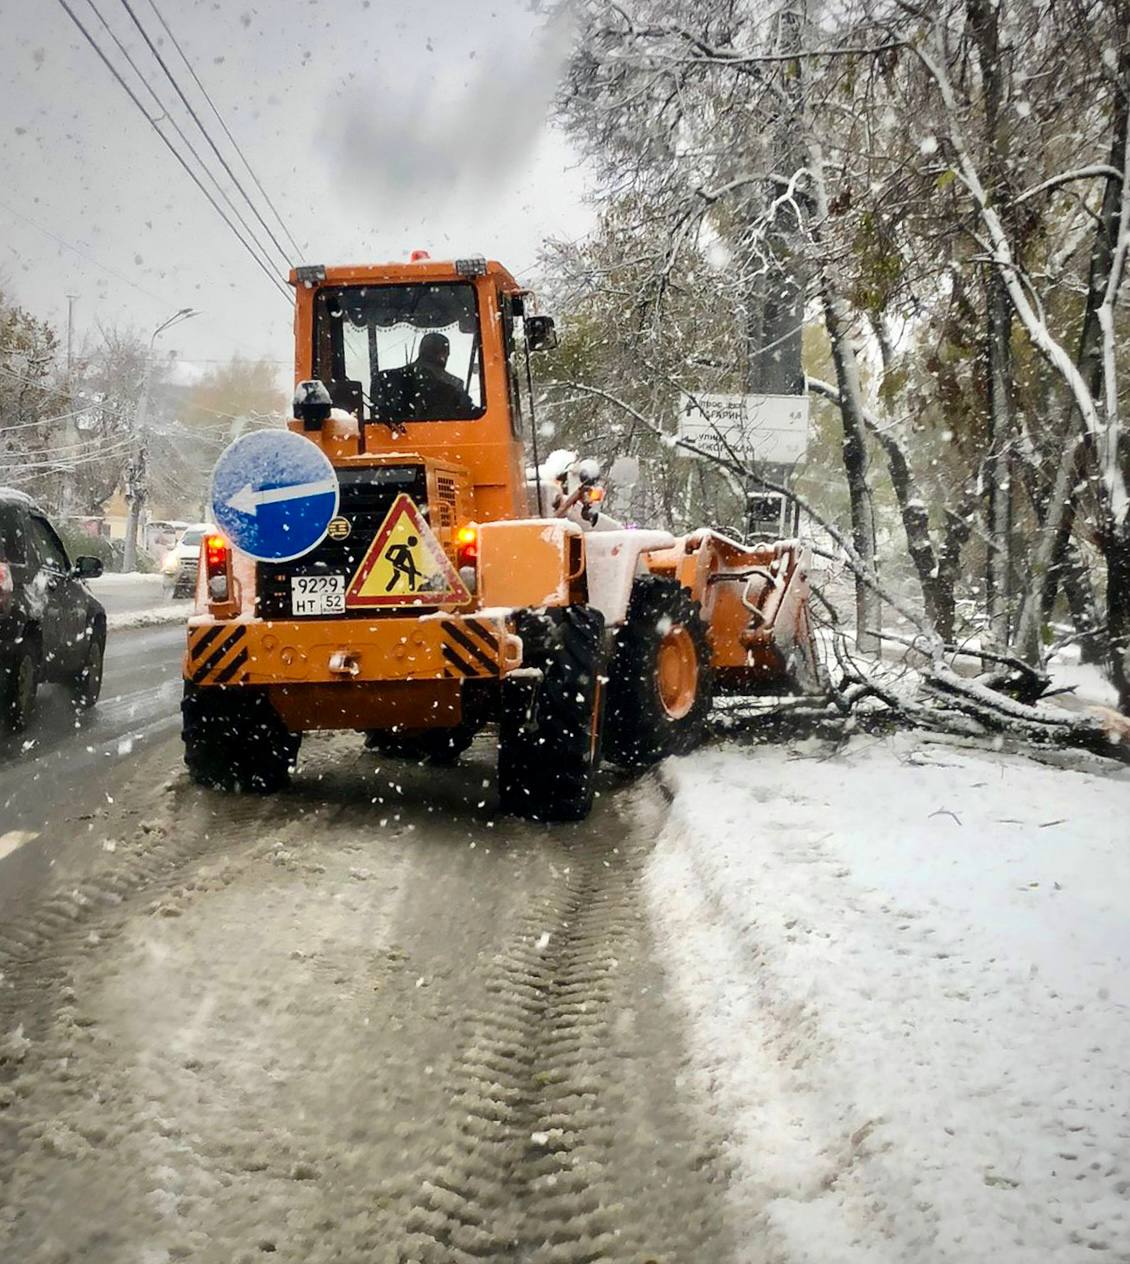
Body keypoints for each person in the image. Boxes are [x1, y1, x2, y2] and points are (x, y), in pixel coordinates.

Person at [408, 332, 474, 417]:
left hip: (397, 430)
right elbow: (469, 415)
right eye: (446, 354)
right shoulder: (453, 384)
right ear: (442, 355)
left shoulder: (390, 379)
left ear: (420, 350)